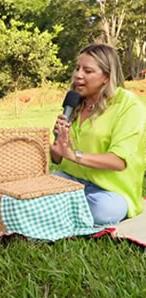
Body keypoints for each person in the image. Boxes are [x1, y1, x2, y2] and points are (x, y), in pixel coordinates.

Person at [51, 43, 146, 226]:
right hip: (73, 182)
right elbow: (56, 159)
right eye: (77, 68)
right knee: (38, 185)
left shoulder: (128, 105)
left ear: (106, 77)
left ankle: (54, 208)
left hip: (111, 193)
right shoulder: (74, 105)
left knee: (103, 210)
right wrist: (60, 144)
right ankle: (64, 209)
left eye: (87, 71)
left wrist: (73, 155)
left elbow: (118, 161)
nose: (78, 75)